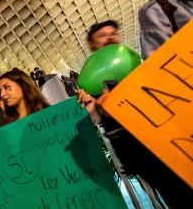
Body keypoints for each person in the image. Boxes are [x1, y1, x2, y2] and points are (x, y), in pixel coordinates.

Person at [78, 19, 193, 208]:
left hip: (167, 136)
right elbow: (94, 122)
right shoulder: (90, 83)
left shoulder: (135, 66)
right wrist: (97, 109)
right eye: (102, 36)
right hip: (136, 149)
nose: (110, 38)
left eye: (113, 33)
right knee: (175, 194)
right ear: (91, 44)